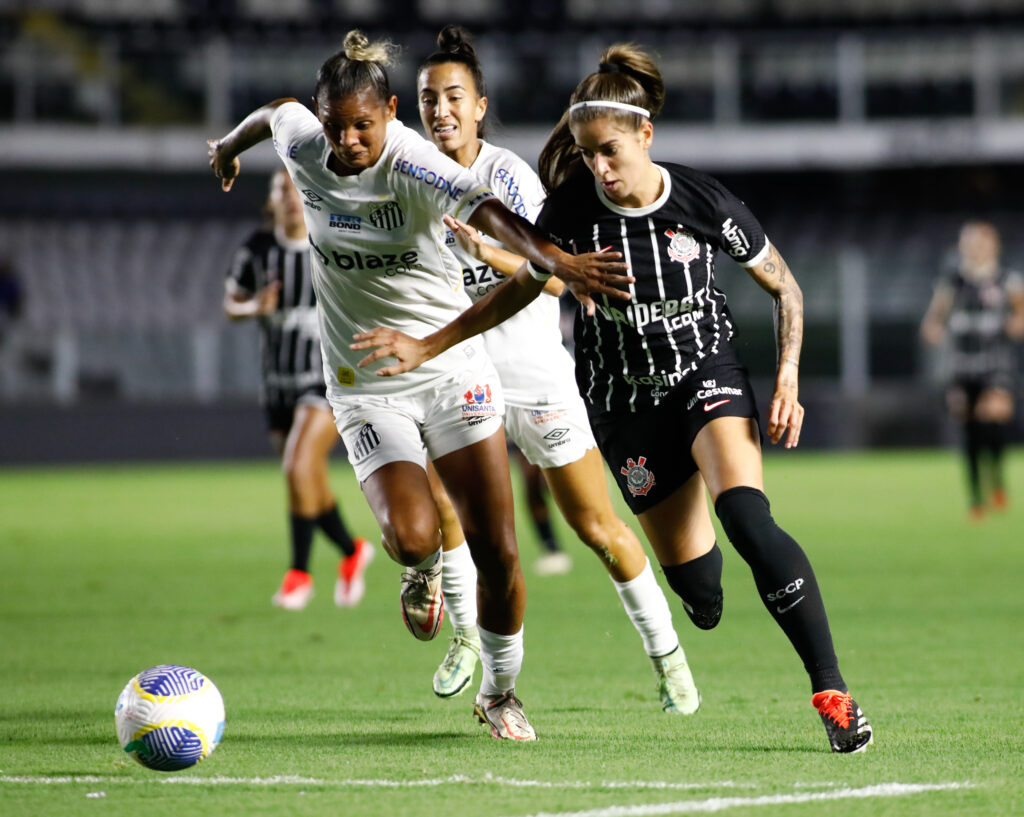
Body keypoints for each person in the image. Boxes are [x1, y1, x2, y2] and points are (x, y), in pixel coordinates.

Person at [353, 42, 874, 754]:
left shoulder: (702, 199)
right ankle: (688, 607)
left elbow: (784, 285)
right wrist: (432, 343)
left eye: (609, 151)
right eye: (586, 153)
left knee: (747, 517)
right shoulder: (568, 213)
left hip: (705, 375)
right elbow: (523, 288)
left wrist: (786, 377)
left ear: (644, 135)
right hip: (627, 408)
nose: (599, 166)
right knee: (704, 596)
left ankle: (832, 691)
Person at [208, 30, 629, 741]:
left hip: (451, 371)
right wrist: (227, 146)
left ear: (392, 112)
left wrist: (560, 259)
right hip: (365, 383)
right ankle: (422, 566)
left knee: (498, 551)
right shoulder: (304, 142)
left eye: (362, 125)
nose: (347, 141)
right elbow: (274, 109)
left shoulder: (413, 162)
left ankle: (500, 691)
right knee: (410, 535)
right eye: (334, 124)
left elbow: (491, 214)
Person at [414, 26, 699, 715]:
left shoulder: (508, 177)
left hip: (536, 369)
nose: (440, 110)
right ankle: (466, 637)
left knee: (597, 525)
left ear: (480, 106)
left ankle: (668, 655)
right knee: (448, 506)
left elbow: (554, 279)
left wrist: (489, 248)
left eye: (454, 96)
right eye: (427, 98)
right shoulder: (410, 179)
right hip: (458, 368)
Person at [225, 168, 374, 611]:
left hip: (324, 380)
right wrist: (254, 306)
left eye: (295, 188)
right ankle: (351, 552)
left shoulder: (329, 241)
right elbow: (230, 302)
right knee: (305, 477)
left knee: (298, 463)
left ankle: (299, 574)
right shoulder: (256, 250)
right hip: (277, 384)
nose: (290, 197)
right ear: (271, 202)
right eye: (280, 191)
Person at [921, 220, 1024, 518]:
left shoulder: (1007, 281)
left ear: (993, 246)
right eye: (970, 242)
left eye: (981, 242)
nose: (975, 248)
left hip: (996, 365)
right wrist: (932, 329)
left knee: (991, 420)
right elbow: (934, 318)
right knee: (969, 430)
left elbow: (1020, 315)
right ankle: (976, 498)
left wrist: (1016, 325)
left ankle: (998, 481)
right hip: (961, 366)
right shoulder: (952, 282)